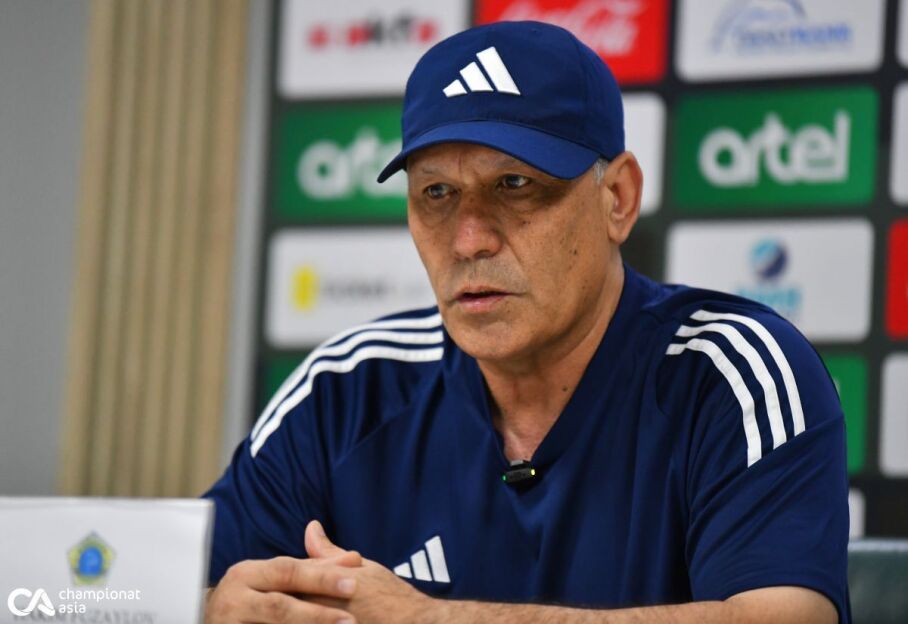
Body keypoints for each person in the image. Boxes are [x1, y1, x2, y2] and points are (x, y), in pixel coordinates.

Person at [203, 21, 850, 624]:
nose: (469, 240)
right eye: (437, 193)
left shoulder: (734, 373)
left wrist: (427, 619)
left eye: (514, 185)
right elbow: (182, 583)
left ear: (618, 199)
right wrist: (212, 608)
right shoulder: (345, 390)